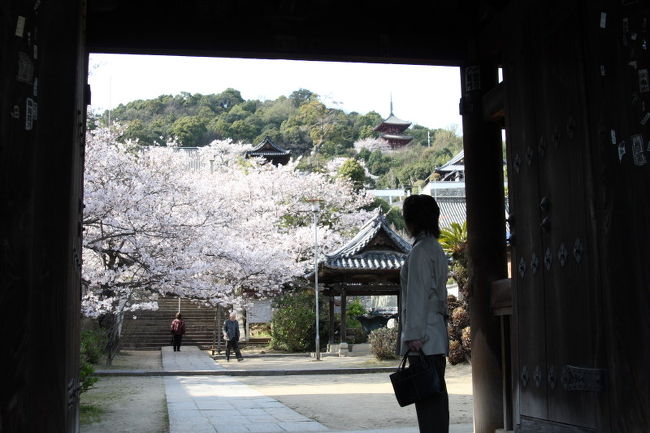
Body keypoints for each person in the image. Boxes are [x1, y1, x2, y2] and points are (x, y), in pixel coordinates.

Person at [399, 194, 449, 433]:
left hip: (423, 338)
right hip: (435, 333)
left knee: (428, 400)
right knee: (436, 397)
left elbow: (417, 295)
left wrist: (413, 335)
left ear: (411, 220)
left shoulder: (419, 251)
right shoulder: (435, 247)